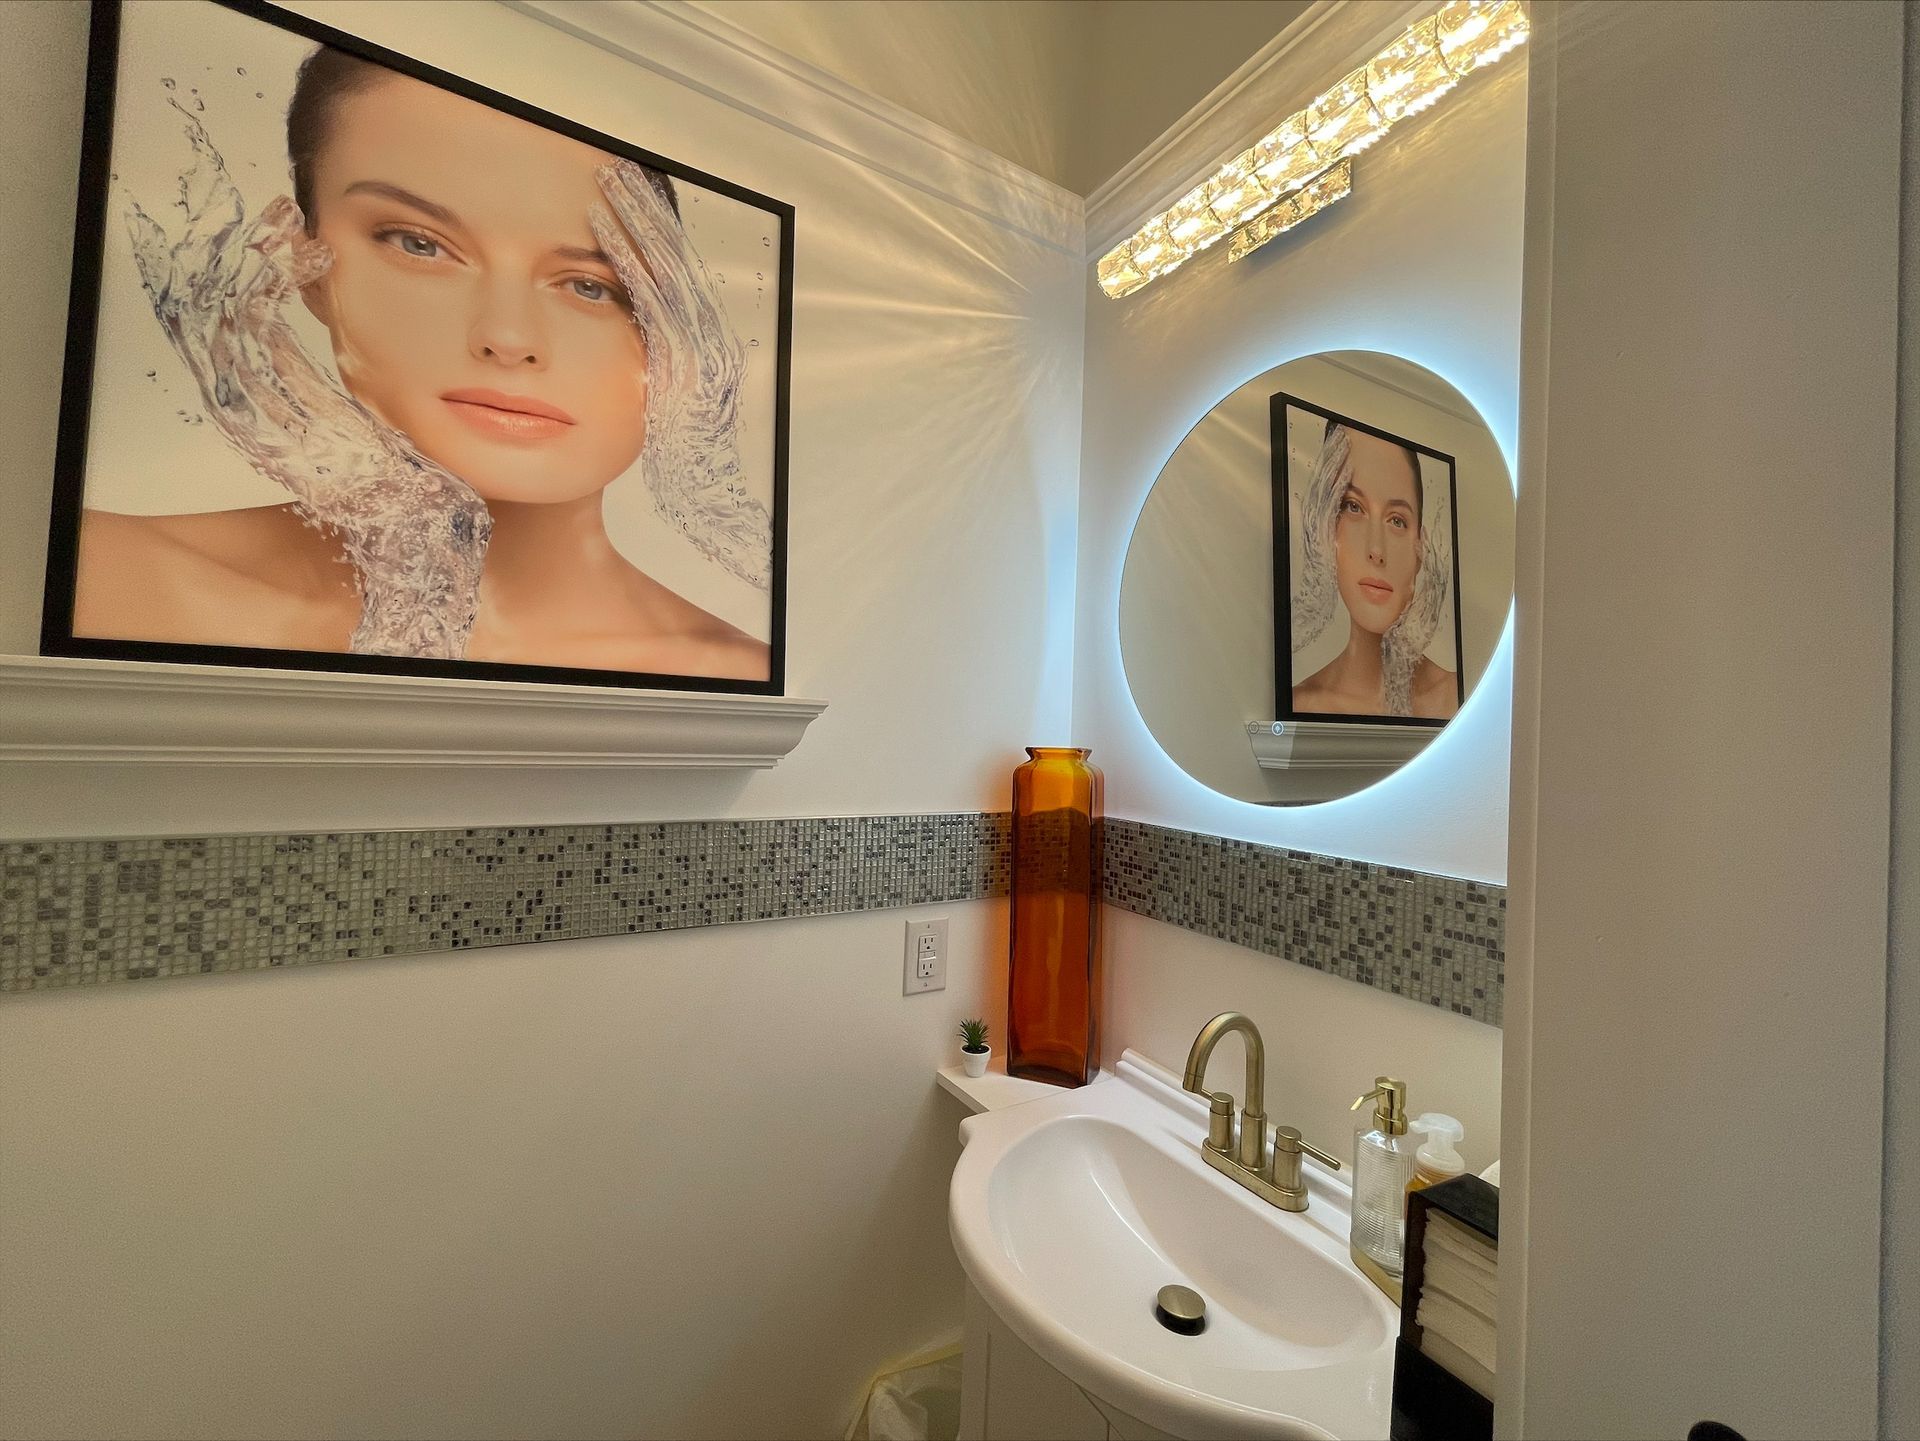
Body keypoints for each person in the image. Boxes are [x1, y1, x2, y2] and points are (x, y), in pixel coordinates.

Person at [77, 44, 769, 681]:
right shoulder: (106, 573)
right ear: (301, 259)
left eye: (591, 286)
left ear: (672, 327)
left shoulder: (739, 667)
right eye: (419, 244)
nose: (508, 337)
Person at [1290, 419, 1457, 720]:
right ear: (1327, 528)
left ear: (1421, 549)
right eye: (1353, 507)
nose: (1376, 551)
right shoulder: (1302, 703)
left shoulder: (1457, 698)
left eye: (1397, 521)